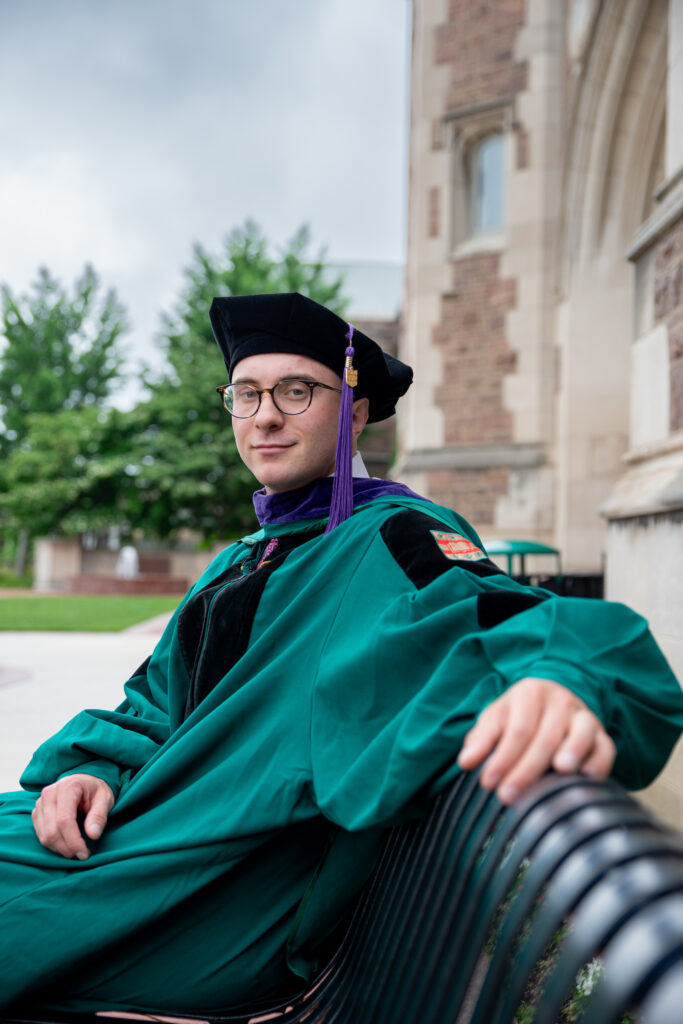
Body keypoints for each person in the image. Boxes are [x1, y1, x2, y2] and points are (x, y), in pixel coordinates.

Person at [1, 292, 682, 1016]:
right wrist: (91, 768)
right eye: (246, 394)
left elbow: (532, 622)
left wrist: (560, 677)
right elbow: (154, 701)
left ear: (353, 413)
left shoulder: (393, 538)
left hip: (215, 890)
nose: (265, 415)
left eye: (297, 392)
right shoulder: (242, 558)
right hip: (138, 831)